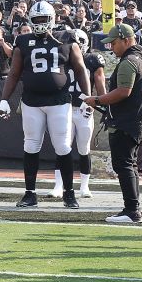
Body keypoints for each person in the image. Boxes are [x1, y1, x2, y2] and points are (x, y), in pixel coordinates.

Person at [0, 0, 90, 209]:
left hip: (59, 101)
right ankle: (30, 194)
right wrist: (4, 99)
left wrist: (86, 96)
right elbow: (14, 72)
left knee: (63, 146)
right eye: (36, 20)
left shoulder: (66, 37)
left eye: (43, 19)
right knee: (30, 145)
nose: (39, 24)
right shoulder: (23, 40)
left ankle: (69, 193)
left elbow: (81, 68)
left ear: (52, 19)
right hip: (31, 101)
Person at [85, 25, 142, 223]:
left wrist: (97, 100)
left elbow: (124, 91)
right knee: (129, 165)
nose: (111, 48)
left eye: (113, 43)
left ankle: (132, 211)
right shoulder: (140, 59)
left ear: (126, 40)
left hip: (126, 122)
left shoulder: (129, 61)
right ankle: (132, 208)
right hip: (134, 120)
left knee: (124, 165)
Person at [49, 27, 104, 200]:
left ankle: (84, 186)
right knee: (62, 148)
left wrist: (99, 102)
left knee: (83, 148)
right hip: (64, 107)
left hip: (83, 109)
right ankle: (58, 186)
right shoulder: (61, 58)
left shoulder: (93, 59)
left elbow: (100, 84)